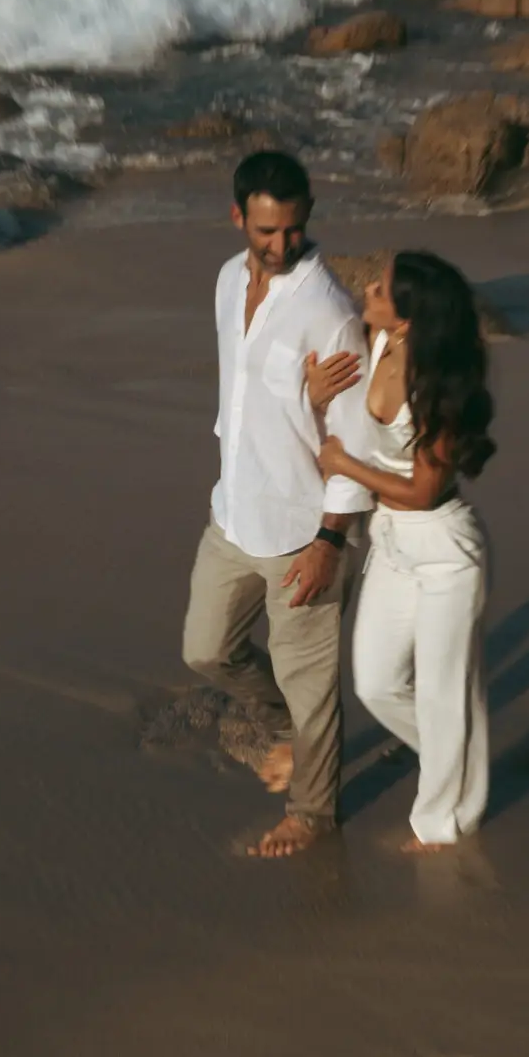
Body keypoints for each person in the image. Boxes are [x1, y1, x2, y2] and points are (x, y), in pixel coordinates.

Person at [181, 151, 375, 859]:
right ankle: (285, 726)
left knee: (312, 684)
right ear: (238, 218)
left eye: (293, 229)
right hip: (234, 512)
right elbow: (243, 393)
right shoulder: (228, 281)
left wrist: (331, 540)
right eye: (267, 230)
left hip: (303, 528)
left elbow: (355, 435)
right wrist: (296, 397)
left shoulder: (328, 312)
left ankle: (313, 814)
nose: (282, 244)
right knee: (205, 650)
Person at [311, 251, 496, 853]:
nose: (369, 287)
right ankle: (456, 762)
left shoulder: (438, 386)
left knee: (444, 693)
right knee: (376, 682)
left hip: (444, 551)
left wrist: (345, 466)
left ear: (410, 318)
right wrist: (315, 391)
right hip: (390, 541)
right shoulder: (375, 339)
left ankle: (440, 822)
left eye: (383, 288)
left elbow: (423, 491)